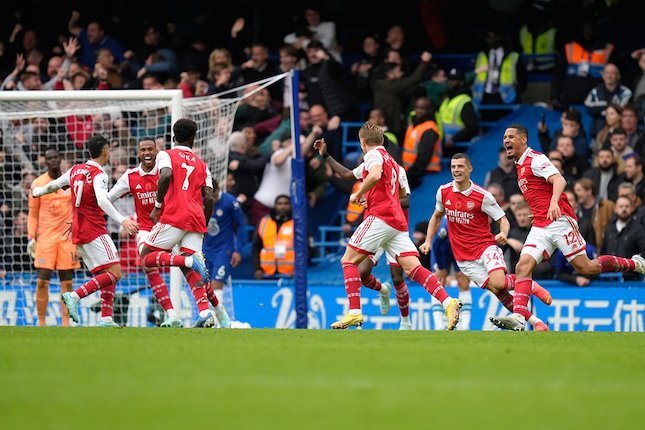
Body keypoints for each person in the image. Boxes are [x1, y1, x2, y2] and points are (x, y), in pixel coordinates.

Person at [490, 125, 645, 331]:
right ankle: (519, 316)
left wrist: (554, 203)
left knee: (586, 267)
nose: (506, 140)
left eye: (511, 137)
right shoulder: (519, 165)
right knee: (522, 267)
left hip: (561, 221)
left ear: (523, 140)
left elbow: (559, 180)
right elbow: (540, 192)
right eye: (504, 137)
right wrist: (539, 210)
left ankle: (634, 264)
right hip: (541, 224)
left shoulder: (535, 159)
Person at [316, 122, 462, 330]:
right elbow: (350, 175)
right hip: (397, 222)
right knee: (413, 268)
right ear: (383, 140)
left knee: (348, 261)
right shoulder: (391, 162)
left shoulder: (373, 155)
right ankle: (448, 302)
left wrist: (358, 194)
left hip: (381, 217)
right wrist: (326, 155)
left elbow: (374, 176)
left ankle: (355, 312)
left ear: (363, 142)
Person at [420, 153, 550, 331]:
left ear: (469, 169)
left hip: (485, 248)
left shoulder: (483, 196)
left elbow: (503, 219)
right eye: (453, 167)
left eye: (460, 166)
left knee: (498, 283)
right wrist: (428, 240)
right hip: (464, 259)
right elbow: (436, 217)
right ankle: (537, 322)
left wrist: (503, 233)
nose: (456, 170)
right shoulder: (443, 192)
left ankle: (529, 284)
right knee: (499, 291)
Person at [31, 136, 139, 327]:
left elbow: (54, 185)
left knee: (105, 275)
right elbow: (102, 200)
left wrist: (38, 192)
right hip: (95, 230)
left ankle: (106, 318)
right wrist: (123, 220)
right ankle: (74, 296)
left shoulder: (75, 170)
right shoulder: (100, 174)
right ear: (106, 151)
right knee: (115, 272)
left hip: (78, 233)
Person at [313, 138, 412, 330]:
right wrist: (326, 155)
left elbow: (407, 200)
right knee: (362, 272)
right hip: (375, 225)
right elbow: (346, 174)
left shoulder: (397, 170)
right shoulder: (369, 166)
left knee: (398, 276)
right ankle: (383, 290)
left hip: (393, 226)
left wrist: (387, 201)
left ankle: (405, 323)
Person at [139, 119, 217, 328]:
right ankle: (204, 312)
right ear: (193, 138)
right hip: (196, 219)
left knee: (146, 258)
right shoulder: (202, 164)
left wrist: (157, 205)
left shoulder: (166, 154)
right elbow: (209, 197)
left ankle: (188, 261)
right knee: (192, 273)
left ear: (174, 137)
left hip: (174, 215)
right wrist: (204, 225)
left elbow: (165, 175)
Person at [107, 138, 186, 328]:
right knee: (147, 263)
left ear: (157, 151)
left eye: (150, 149)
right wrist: (123, 221)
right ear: (138, 152)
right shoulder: (131, 176)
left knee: (188, 267)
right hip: (146, 229)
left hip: (171, 226)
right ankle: (171, 313)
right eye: (143, 150)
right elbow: (107, 199)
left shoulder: (165, 171)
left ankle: (210, 311)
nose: (147, 153)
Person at [27, 148, 80, 326]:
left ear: (61, 159)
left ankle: (66, 324)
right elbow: (33, 214)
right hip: (46, 239)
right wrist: (30, 237)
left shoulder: (69, 182)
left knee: (67, 283)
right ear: (45, 161)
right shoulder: (37, 184)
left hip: (67, 239)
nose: (53, 161)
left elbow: (78, 209)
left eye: (56, 157)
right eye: (49, 158)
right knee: (42, 281)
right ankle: (41, 322)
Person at [202, 184, 245, 327]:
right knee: (205, 286)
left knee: (216, 283)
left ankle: (217, 322)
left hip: (224, 250)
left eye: (213, 195)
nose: (211, 199)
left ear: (219, 190)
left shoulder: (229, 202)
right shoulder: (200, 200)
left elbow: (241, 226)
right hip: (205, 249)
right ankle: (209, 318)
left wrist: (237, 250)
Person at [253, 195, 294, 279]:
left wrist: (299, 270)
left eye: (286, 204)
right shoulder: (264, 222)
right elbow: (256, 247)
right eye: (280, 204)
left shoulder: (297, 223)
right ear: (275, 206)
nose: (283, 207)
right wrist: (257, 269)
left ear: (290, 205)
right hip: (266, 273)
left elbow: (305, 249)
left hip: (290, 274)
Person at [437, 68, 479, 148]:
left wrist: (454, 139)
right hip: (443, 143)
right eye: (449, 80)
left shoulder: (465, 102)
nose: (450, 83)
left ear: (461, 82)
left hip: (457, 146)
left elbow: (472, 127)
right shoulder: (447, 98)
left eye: (453, 80)